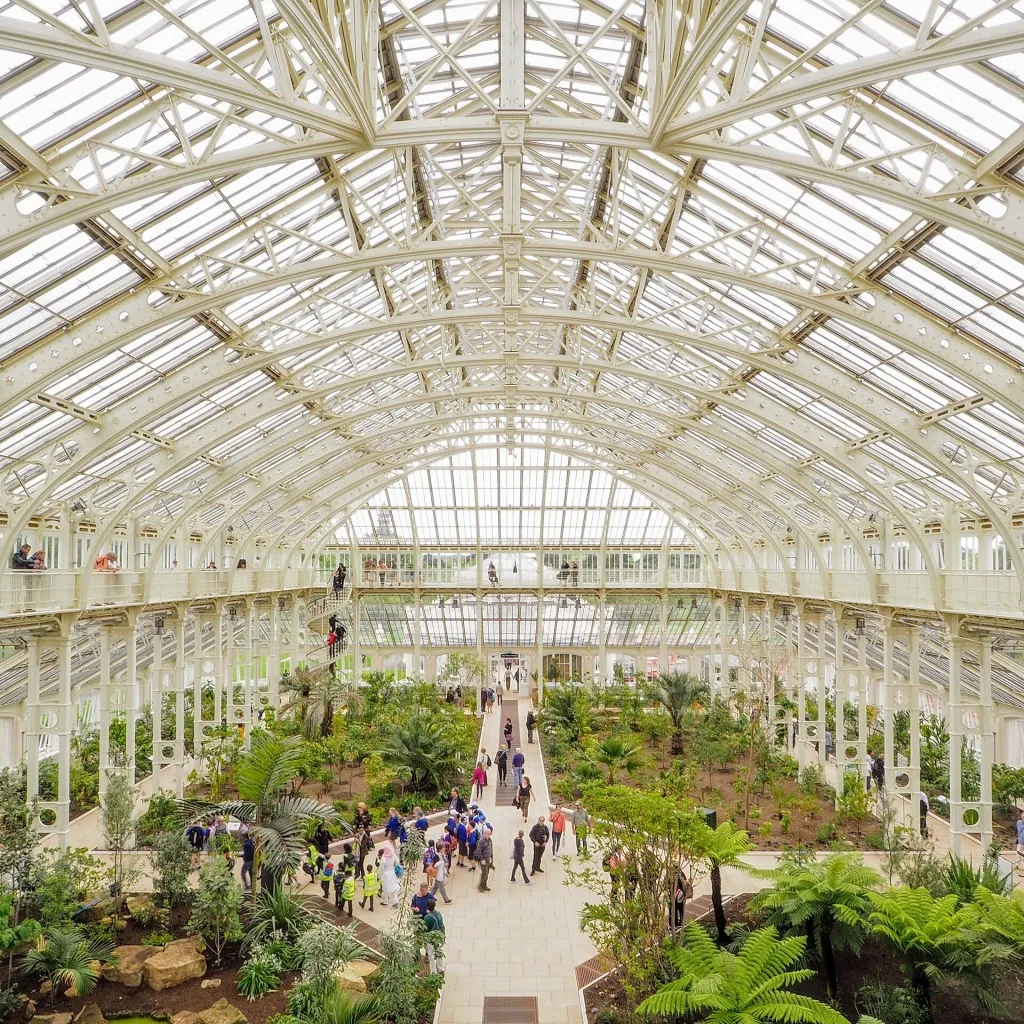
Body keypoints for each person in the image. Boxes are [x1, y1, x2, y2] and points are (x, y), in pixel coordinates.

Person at [476, 826, 494, 892]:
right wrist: (481, 859)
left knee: (487, 874)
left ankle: (484, 885)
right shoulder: (481, 841)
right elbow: (478, 850)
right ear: (484, 833)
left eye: (489, 833)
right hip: (483, 860)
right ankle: (480, 886)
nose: (488, 835)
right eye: (487, 833)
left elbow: (491, 849)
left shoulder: (490, 840)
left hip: (488, 860)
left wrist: (492, 857)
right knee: (484, 874)